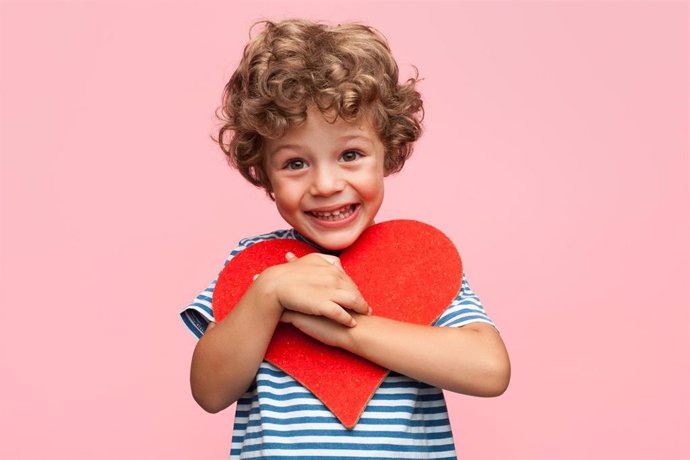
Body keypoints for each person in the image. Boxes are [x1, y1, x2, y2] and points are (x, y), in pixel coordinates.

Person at [180, 18, 510, 459]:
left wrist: (347, 332)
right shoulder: (256, 262)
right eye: (295, 163)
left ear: (387, 153)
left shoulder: (419, 260)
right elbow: (210, 391)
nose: (326, 184)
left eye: (350, 155)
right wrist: (270, 293)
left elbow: (489, 370)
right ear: (263, 173)